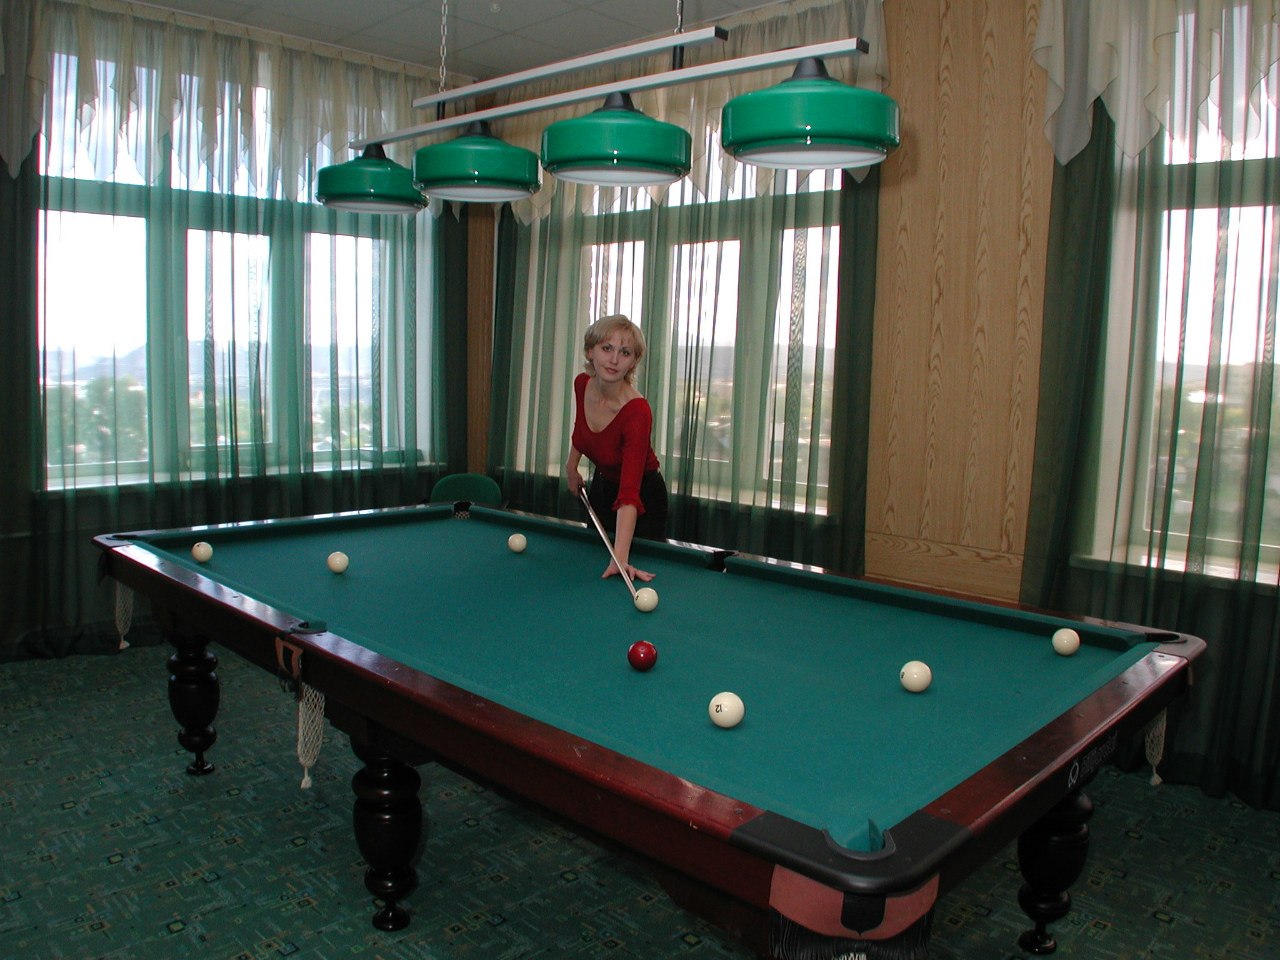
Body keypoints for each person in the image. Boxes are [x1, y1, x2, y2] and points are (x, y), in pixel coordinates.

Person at [565, 314, 669, 583]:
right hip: (602, 487)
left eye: (625, 352)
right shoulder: (582, 384)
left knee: (625, 565)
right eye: (606, 348)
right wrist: (571, 466)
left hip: (642, 497)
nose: (614, 360)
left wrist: (620, 558)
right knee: (592, 565)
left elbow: (629, 493)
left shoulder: (637, 413)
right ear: (590, 351)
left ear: (633, 361)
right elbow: (581, 432)